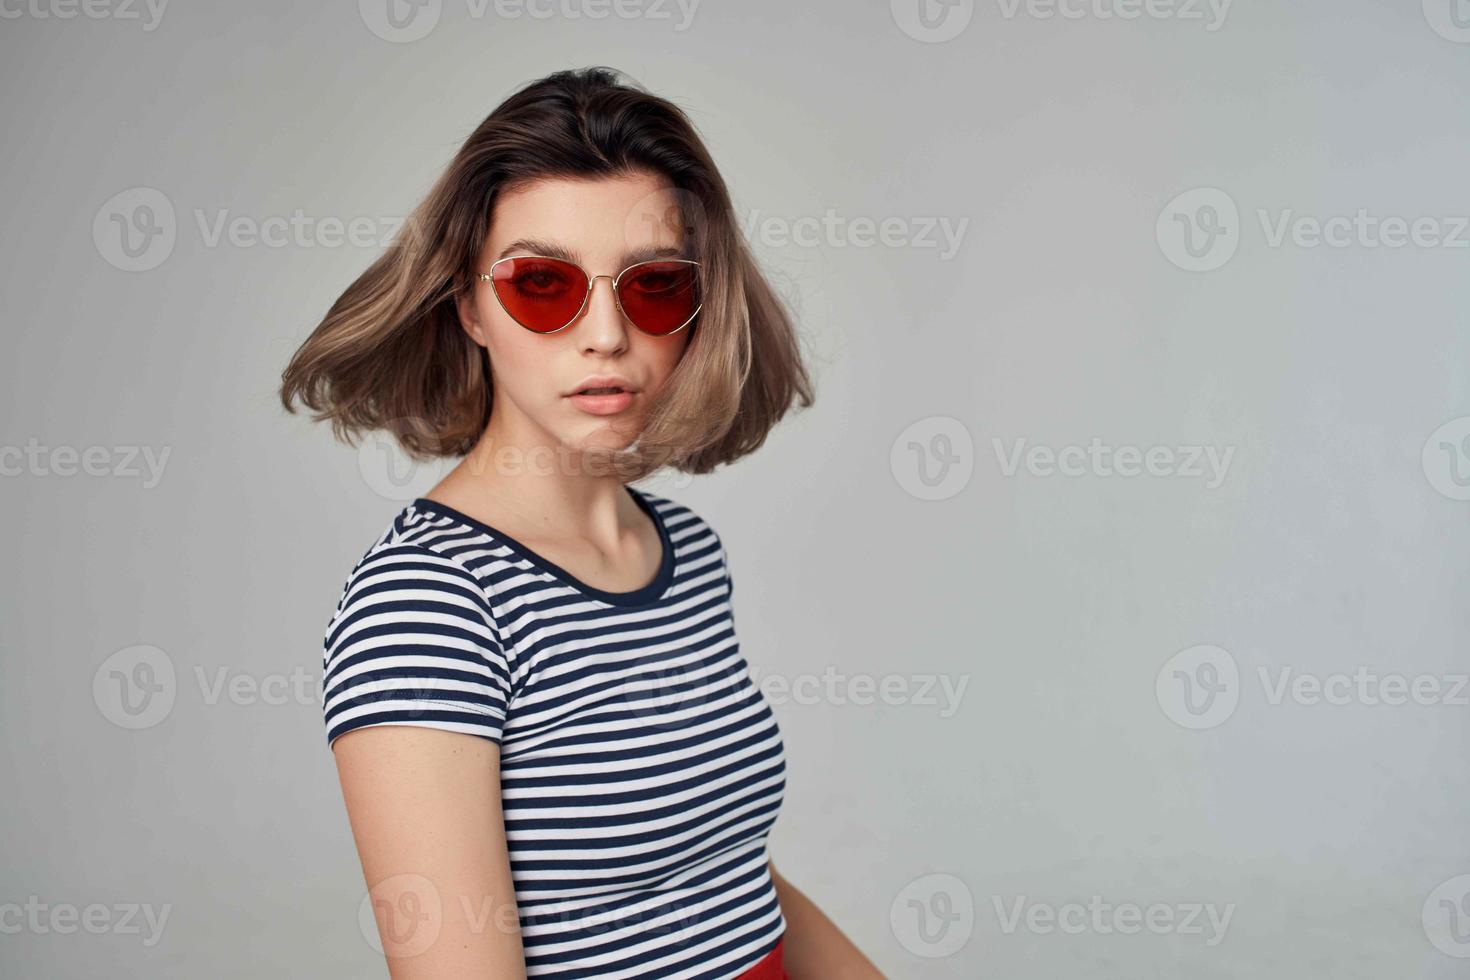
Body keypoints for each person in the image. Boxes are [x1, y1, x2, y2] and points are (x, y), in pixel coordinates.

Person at [279, 66, 884, 979]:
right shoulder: (426, 608)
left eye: (652, 286)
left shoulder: (682, 549)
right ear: (469, 307)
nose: (605, 335)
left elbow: (726, 878)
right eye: (543, 284)